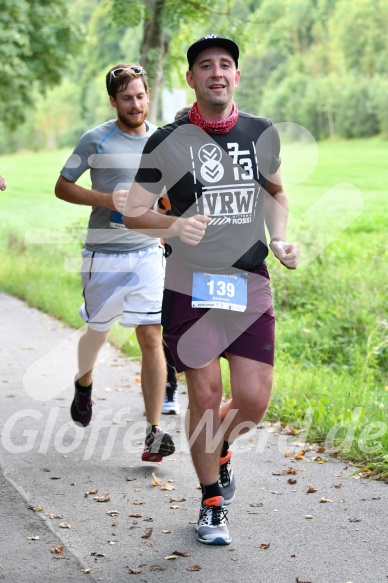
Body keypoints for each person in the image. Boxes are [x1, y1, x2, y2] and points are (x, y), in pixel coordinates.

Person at [123, 35, 300, 545]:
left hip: (248, 282)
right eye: (206, 65)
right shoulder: (167, 142)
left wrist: (282, 237)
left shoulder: (260, 133)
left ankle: (218, 448)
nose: (217, 72)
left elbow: (277, 193)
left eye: (226, 64)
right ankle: (212, 502)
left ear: (237, 76)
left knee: (252, 399)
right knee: (204, 394)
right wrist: (174, 228)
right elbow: (134, 213)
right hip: (191, 284)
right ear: (191, 78)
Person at [54, 63, 175, 463]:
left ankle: (154, 432)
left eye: (141, 96)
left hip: (146, 253)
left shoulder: (160, 139)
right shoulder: (95, 139)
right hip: (102, 254)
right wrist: (106, 200)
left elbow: (168, 192)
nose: (136, 104)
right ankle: (84, 382)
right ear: (113, 101)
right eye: (127, 98)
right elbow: (62, 187)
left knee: (150, 337)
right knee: (98, 331)